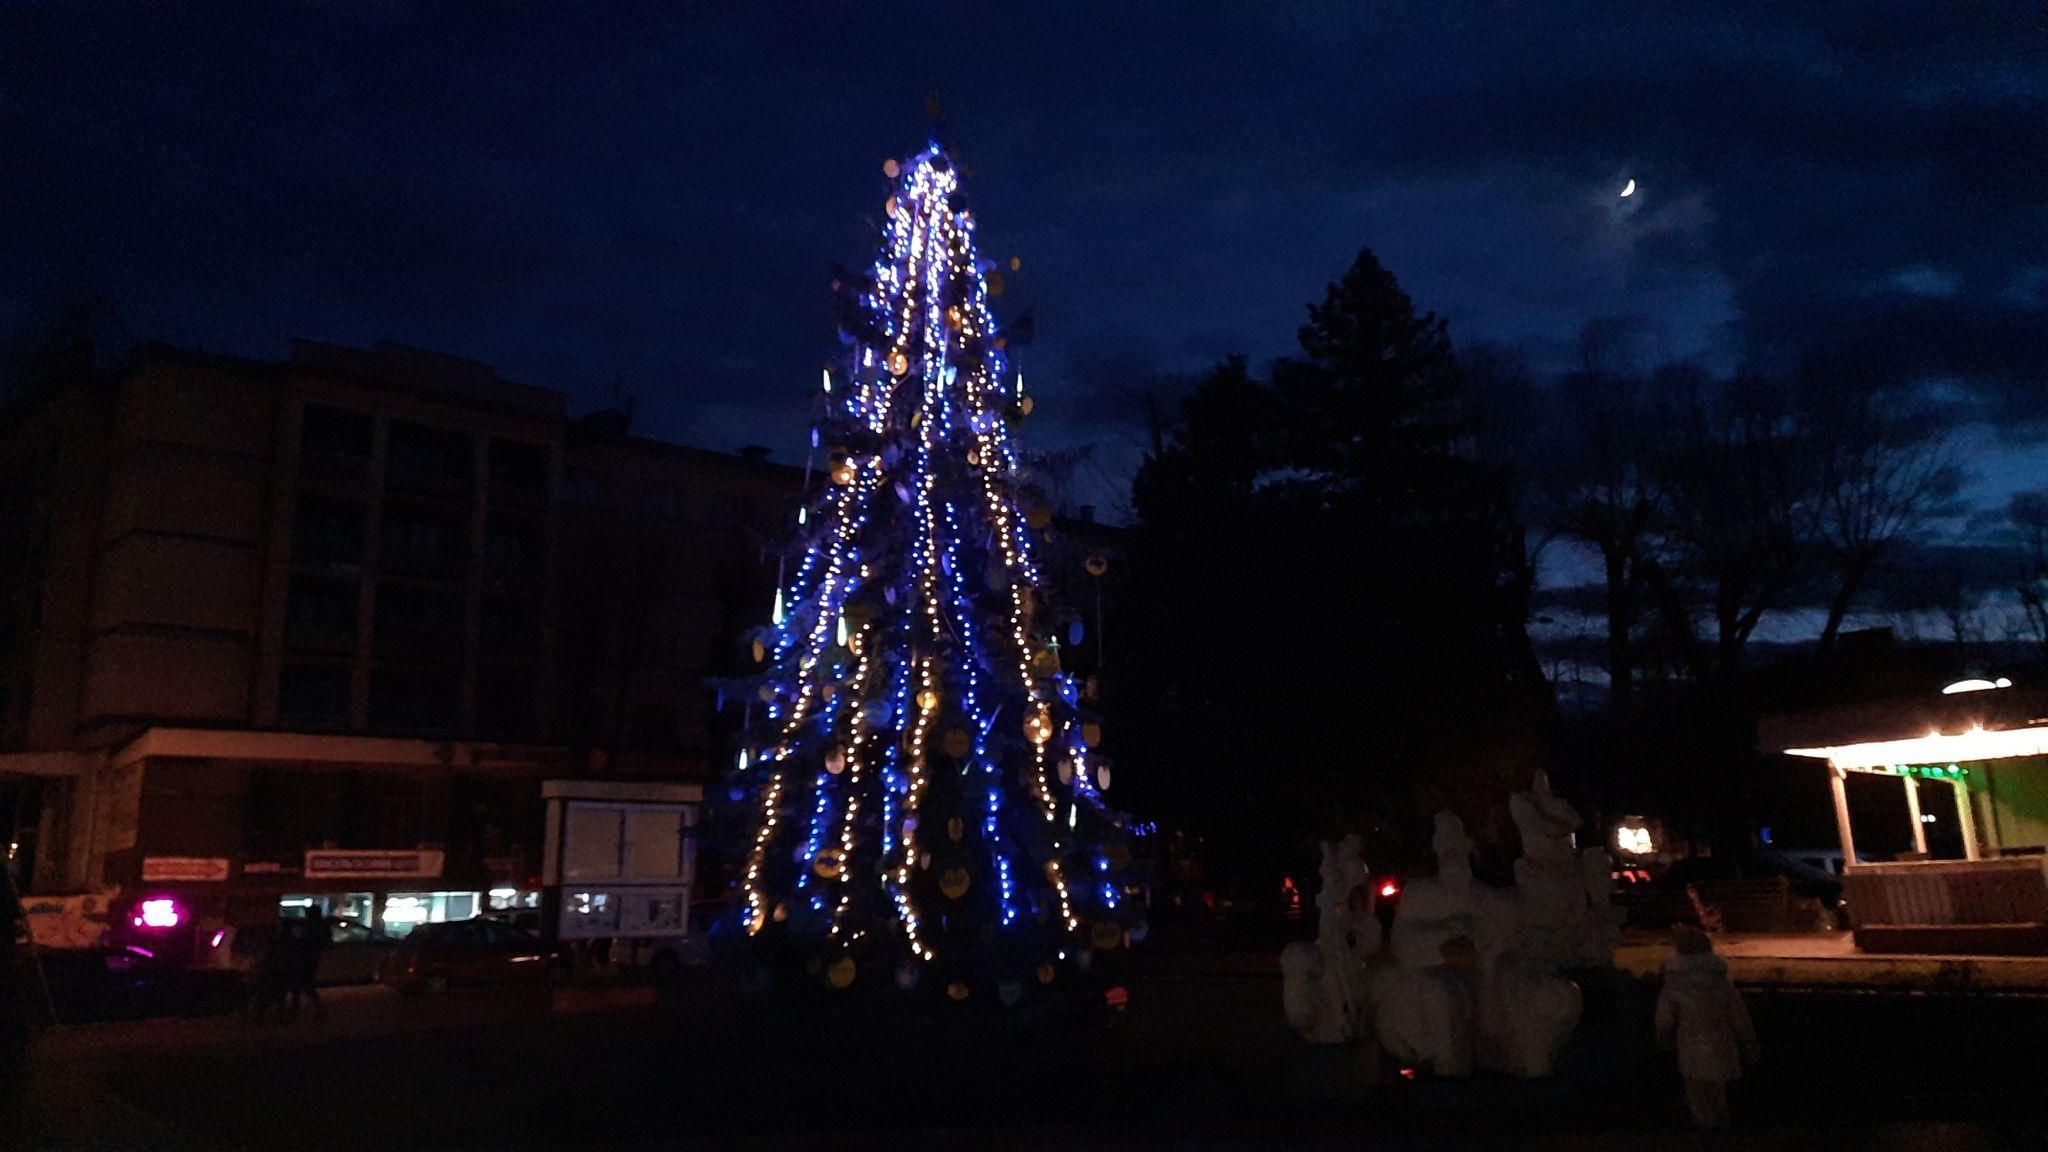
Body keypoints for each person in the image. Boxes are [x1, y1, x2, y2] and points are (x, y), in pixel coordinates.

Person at [1656, 925, 1758, 1131]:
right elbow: (1738, 1015)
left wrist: (1663, 1037)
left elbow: (1664, 1018)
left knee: (1696, 1092)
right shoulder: (1721, 983)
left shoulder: (1675, 984)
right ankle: (1721, 1128)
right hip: (1720, 1041)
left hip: (1690, 1043)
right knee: (1718, 1092)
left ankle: (1704, 1128)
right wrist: (1748, 1041)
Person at [285, 907, 331, 1020]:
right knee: (303, 985)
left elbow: (308, 942)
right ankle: (309, 1009)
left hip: (306, 958)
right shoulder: (319, 926)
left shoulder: (314, 927)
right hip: (309, 958)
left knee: (302, 984)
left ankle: (299, 1009)